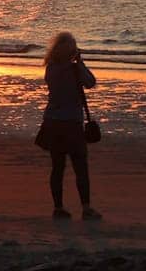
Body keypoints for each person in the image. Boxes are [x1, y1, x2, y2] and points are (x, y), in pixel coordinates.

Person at [40, 31, 101, 220]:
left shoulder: (50, 68)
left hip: (53, 122)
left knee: (57, 167)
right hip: (72, 124)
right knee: (80, 167)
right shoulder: (74, 69)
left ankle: (58, 207)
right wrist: (80, 62)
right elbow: (91, 82)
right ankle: (86, 208)